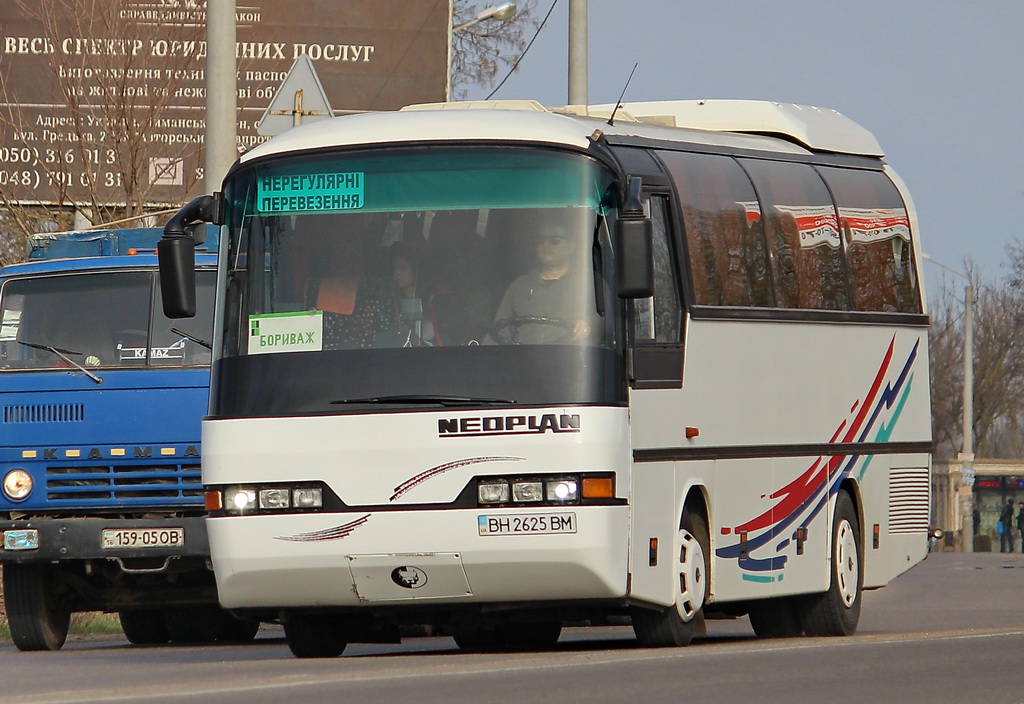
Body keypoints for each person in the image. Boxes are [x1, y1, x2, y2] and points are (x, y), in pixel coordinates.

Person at [490, 223, 596, 344]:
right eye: (541, 240)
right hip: (522, 359)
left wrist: (587, 323)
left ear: (571, 247)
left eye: (554, 240)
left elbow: (607, 322)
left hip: (571, 359)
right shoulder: (519, 286)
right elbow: (500, 331)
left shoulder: (590, 282)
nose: (546, 245)